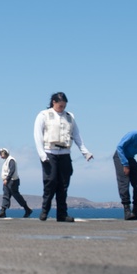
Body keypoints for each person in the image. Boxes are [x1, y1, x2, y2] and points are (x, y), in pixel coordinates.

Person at [34, 92, 93, 222]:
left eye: (64, 106)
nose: (62, 108)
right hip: (50, 153)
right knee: (51, 183)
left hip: (65, 154)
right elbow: (37, 135)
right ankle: (45, 211)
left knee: (63, 185)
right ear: (54, 103)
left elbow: (76, 135)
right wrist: (42, 154)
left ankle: (62, 214)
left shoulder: (70, 117)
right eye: (60, 106)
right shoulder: (43, 115)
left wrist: (85, 152)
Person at [0, 148, 32, 218]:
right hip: (8, 180)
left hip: (12, 181)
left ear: (4, 152)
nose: (0, 155)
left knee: (16, 196)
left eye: (1, 153)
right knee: (6, 195)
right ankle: (3, 211)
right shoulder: (7, 160)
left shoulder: (11, 160)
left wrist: (7, 179)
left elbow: (12, 170)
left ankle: (27, 209)